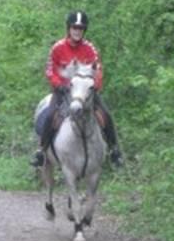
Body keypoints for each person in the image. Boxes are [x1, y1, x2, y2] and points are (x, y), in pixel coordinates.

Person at [30, 10, 123, 168]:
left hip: (85, 92)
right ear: (69, 28)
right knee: (50, 114)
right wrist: (58, 83)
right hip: (63, 91)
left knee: (105, 114)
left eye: (80, 28)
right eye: (74, 28)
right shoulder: (58, 48)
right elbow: (50, 70)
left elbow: (98, 69)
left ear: (84, 30)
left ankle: (114, 150)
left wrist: (96, 84)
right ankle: (41, 151)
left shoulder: (90, 49)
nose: (77, 31)